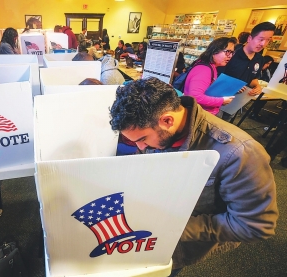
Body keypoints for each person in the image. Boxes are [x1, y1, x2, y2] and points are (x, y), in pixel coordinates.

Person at [109, 77, 278, 275]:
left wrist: (171, 227)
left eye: (143, 139)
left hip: (179, 243)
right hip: (148, 228)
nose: (140, 147)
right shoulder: (159, 129)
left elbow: (255, 226)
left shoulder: (239, 153)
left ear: (167, 120)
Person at [224, 22, 275, 121]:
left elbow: (252, 78)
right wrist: (233, 84)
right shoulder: (232, 53)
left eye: (268, 40)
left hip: (236, 101)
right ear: (249, 38)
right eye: (261, 39)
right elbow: (216, 74)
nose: (263, 44)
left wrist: (257, 86)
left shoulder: (259, 59)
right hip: (219, 98)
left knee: (225, 127)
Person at [184, 37, 236, 116]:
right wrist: (221, 101)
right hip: (200, 115)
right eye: (228, 52)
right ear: (215, 51)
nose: (230, 56)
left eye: (232, 52)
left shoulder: (211, 66)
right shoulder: (204, 69)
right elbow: (195, 97)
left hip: (202, 112)